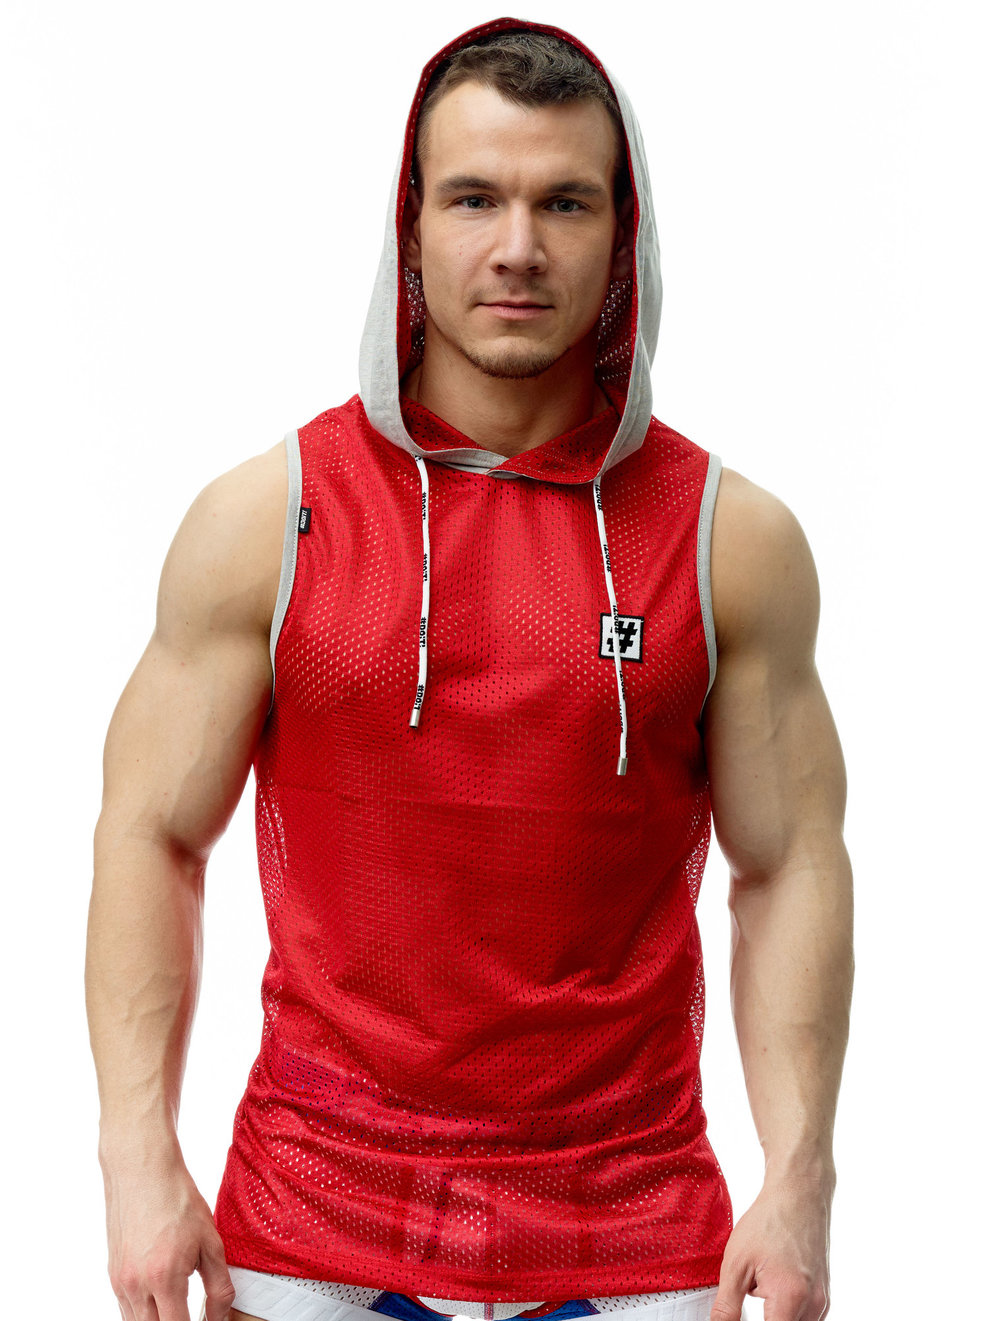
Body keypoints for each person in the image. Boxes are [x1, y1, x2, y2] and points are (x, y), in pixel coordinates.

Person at [86, 17, 853, 1321]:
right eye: (474, 198)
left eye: (565, 202)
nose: (517, 247)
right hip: (314, 1224)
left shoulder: (731, 542)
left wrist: (800, 1180)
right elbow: (150, 835)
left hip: (632, 1230)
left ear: (624, 234)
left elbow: (785, 868)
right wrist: (134, 1162)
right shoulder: (266, 522)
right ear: (410, 225)